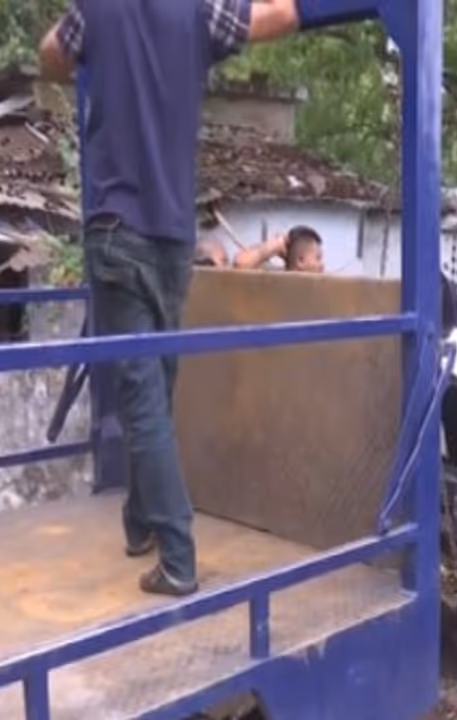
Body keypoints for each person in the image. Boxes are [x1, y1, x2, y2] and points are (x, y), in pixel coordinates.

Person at [38, 0, 301, 596]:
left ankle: (177, 558)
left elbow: (51, 54)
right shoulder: (200, 12)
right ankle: (140, 521)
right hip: (173, 236)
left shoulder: (96, 10)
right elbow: (282, 16)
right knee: (155, 386)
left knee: (142, 395)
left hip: (117, 229)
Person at [233, 226, 325, 272]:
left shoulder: (321, 286)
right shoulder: (273, 278)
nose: (322, 265)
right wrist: (275, 246)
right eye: (318, 258)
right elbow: (240, 265)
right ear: (301, 260)